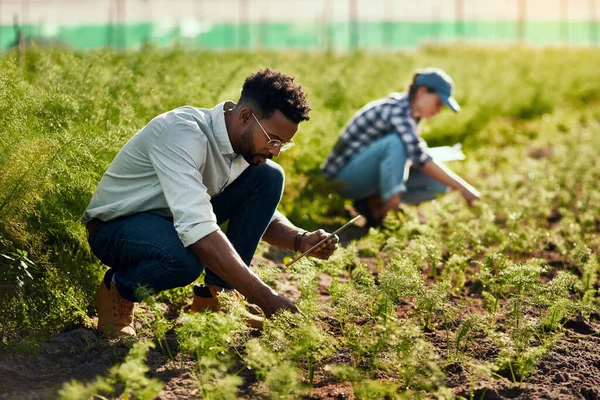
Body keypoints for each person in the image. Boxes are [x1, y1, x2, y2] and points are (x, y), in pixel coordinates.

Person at [82, 68, 339, 338]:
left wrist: (300, 239)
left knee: (268, 176)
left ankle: (216, 300)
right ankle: (118, 288)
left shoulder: (242, 145)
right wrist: (265, 297)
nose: (275, 151)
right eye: (273, 139)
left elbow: (256, 214)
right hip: (117, 227)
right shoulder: (183, 134)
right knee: (184, 260)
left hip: (170, 220)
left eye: (283, 144)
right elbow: (198, 230)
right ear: (245, 116)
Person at [321, 67, 481, 227]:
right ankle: (391, 208)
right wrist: (464, 189)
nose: (439, 110)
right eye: (438, 103)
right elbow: (420, 157)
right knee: (394, 143)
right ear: (422, 92)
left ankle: (373, 207)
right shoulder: (397, 111)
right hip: (343, 181)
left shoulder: (411, 115)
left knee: (439, 184)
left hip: (366, 177)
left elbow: (415, 156)